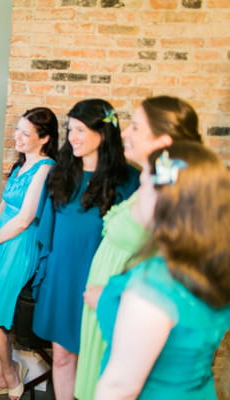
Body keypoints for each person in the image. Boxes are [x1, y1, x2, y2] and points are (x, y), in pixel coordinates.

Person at [74, 96, 203, 400]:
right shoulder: (152, 179)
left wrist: (111, 298)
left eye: (136, 126)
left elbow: (172, 273)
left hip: (124, 313)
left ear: (164, 141)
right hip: (104, 304)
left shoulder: (170, 190)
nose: (123, 133)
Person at [95, 142, 230, 399]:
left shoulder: (154, 285)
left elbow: (120, 387)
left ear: (163, 197)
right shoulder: (211, 265)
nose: (138, 193)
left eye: (144, 185)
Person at [32, 99, 139, 400]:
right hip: (62, 278)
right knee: (63, 357)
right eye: (70, 130)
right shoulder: (60, 174)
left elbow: (139, 240)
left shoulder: (130, 180)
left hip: (101, 282)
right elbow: (47, 232)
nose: (72, 138)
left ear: (103, 134)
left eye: (80, 130)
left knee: (98, 359)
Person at [0, 108, 59, 400]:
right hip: (1, 240)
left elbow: (24, 219)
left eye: (26, 133)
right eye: (17, 130)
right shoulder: (20, 166)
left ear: (44, 138)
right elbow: (3, 205)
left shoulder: (45, 169)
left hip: (19, 246)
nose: (17, 137)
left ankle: (11, 373)